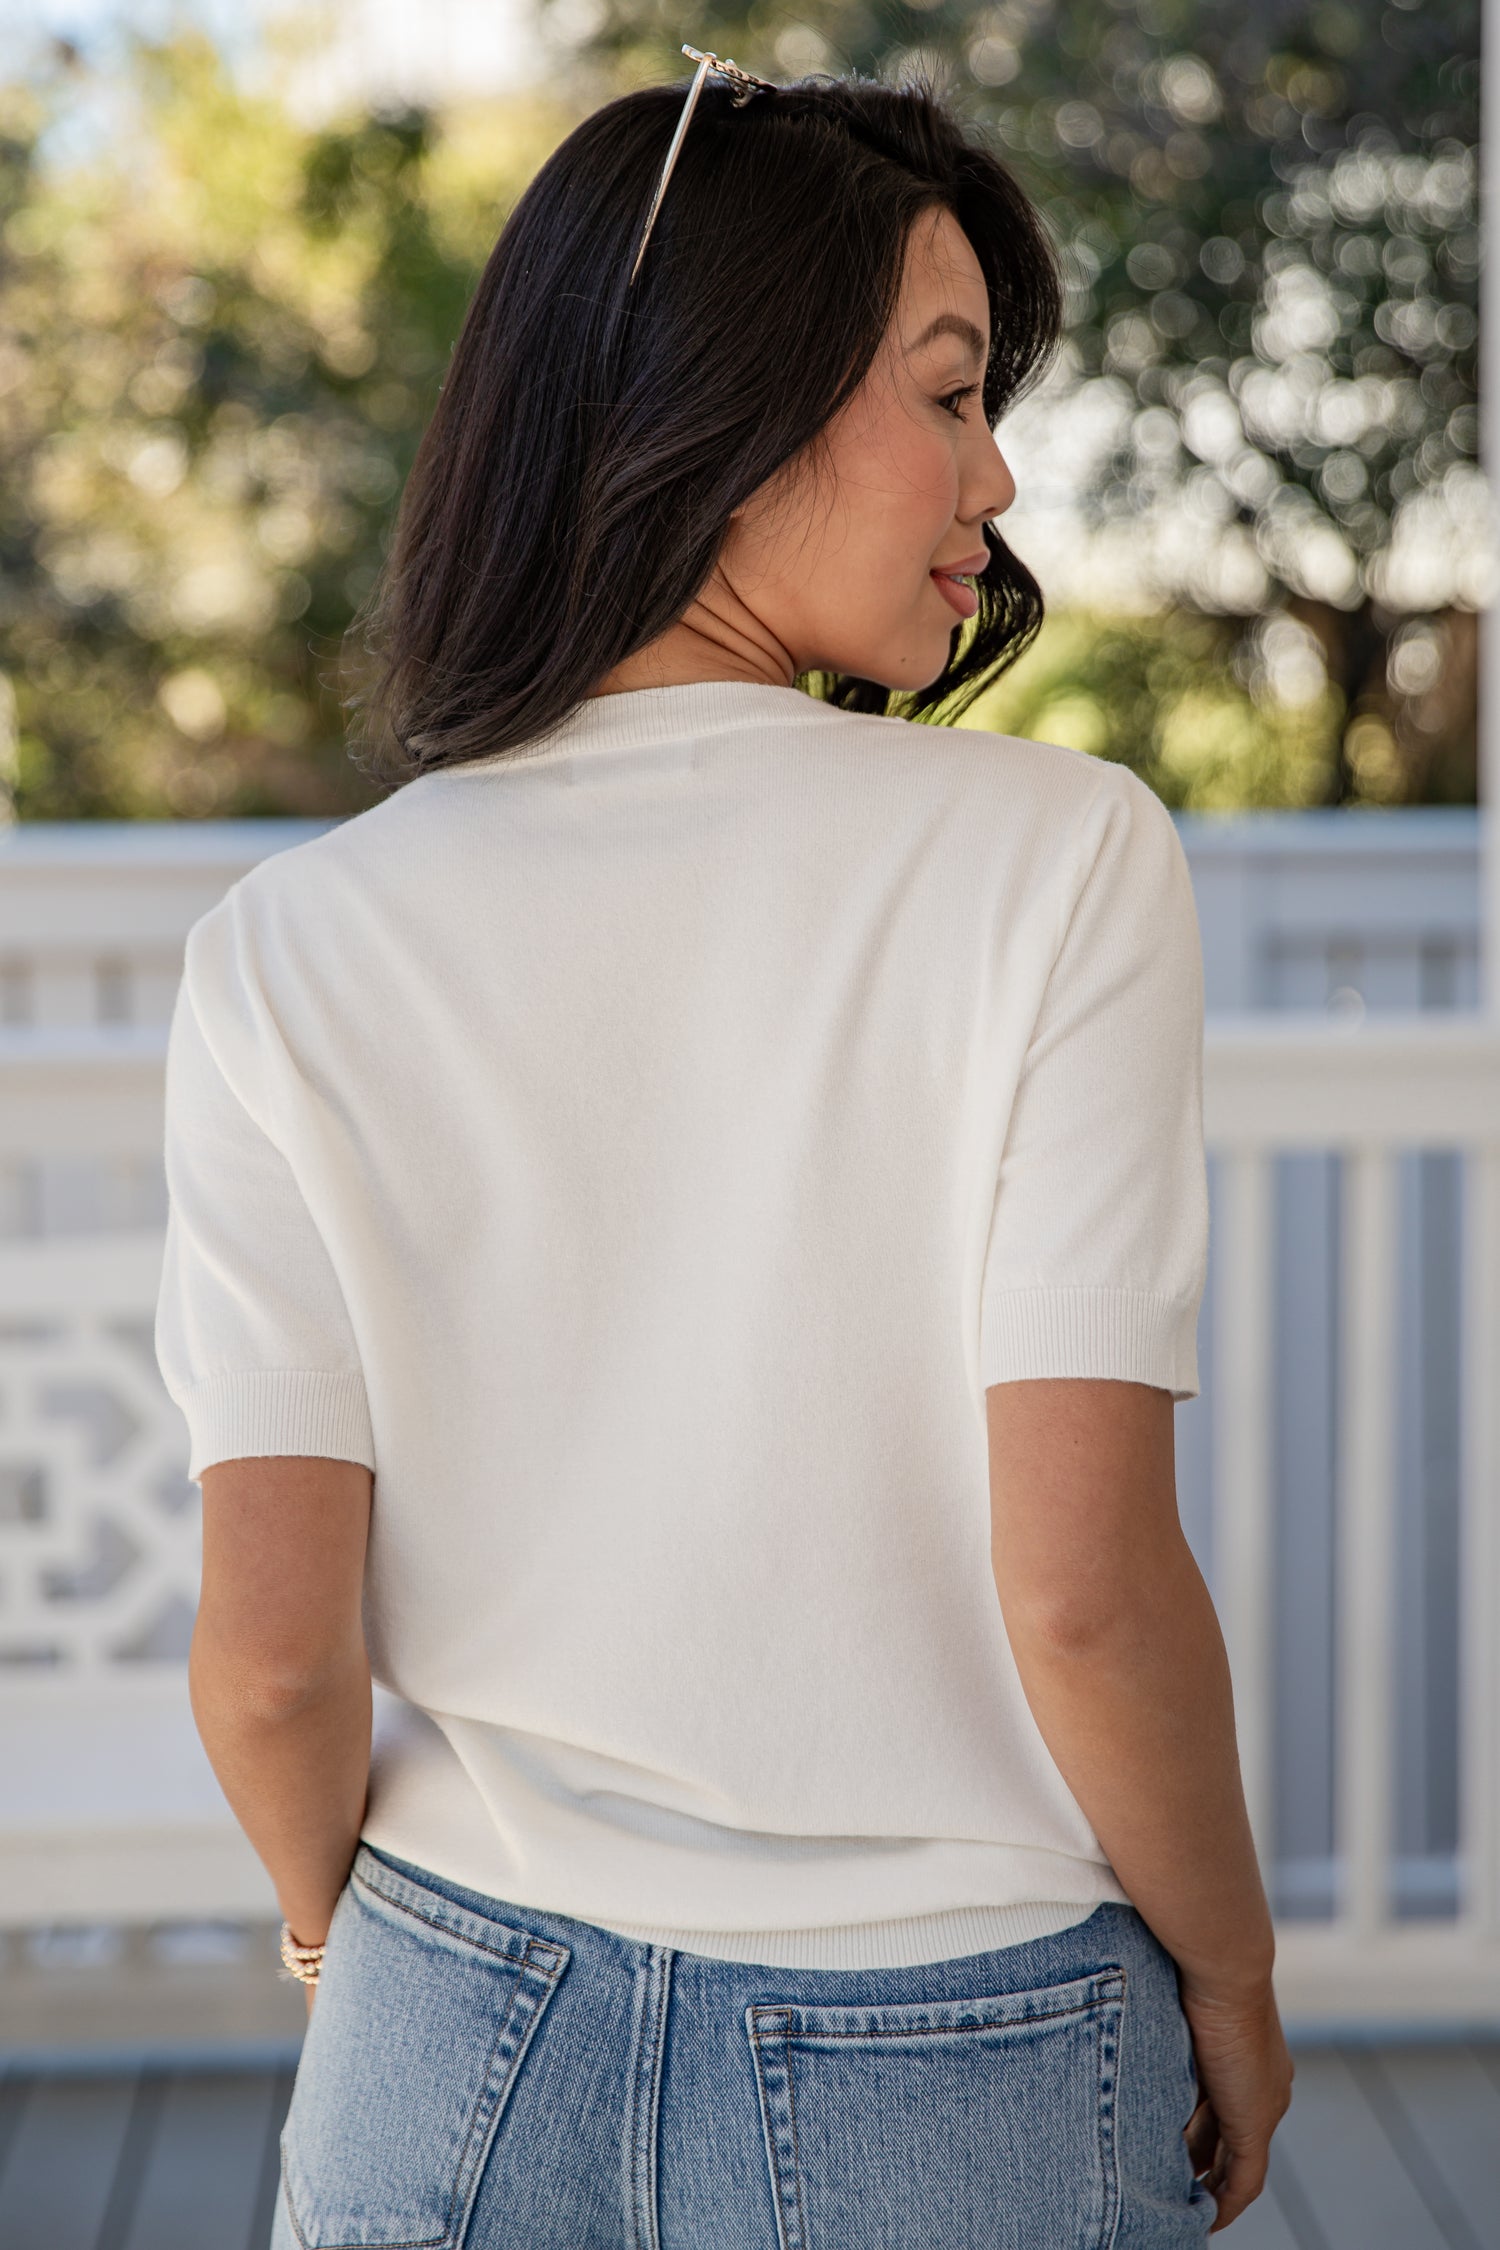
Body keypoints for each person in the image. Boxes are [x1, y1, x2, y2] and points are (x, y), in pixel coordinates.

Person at [154, 61, 1292, 2250]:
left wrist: (346, 1950)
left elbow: (273, 1663)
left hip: (447, 2016)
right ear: (730, 396)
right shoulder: (1057, 863)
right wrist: (1230, 1970)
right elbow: (1082, 1590)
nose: (1000, 474)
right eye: (948, 397)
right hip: (962, 2052)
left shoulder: (285, 949)